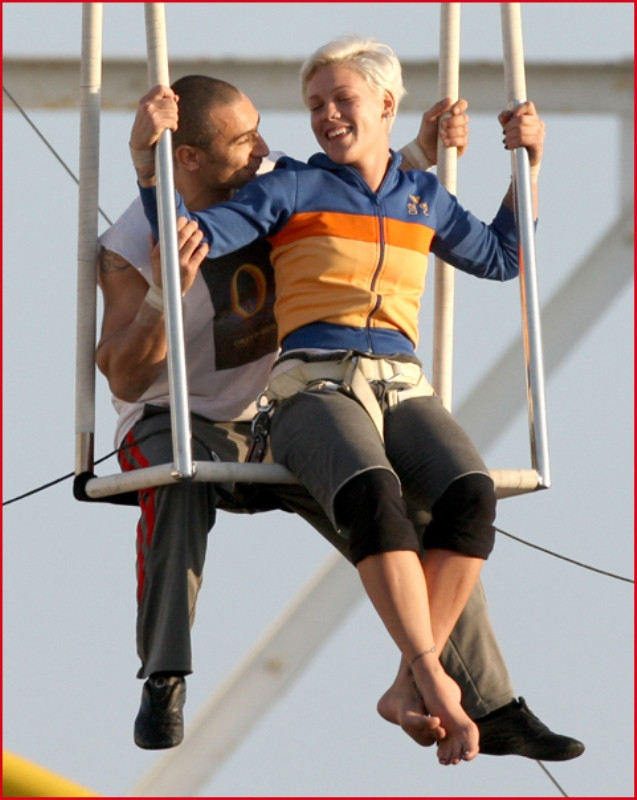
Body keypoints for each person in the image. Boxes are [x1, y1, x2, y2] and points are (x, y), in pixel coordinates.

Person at [113, 72, 583, 759]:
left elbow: (370, 192)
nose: (263, 149)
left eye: (262, 133)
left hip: (278, 418)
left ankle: (483, 697)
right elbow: (123, 372)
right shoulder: (143, 235)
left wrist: (450, 157)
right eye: (245, 141)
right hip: (189, 415)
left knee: (430, 510)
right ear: (187, 158)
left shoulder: (281, 177)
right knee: (176, 480)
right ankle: (165, 676)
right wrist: (160, 280)